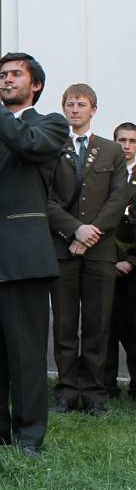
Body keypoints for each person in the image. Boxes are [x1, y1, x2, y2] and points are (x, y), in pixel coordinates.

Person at [0, 52, 67, 457]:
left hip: (22, 259)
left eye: (15, 75)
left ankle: (29, 434)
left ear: (35, 85)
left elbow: (25, 143)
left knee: (25, 354)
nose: (5, 80)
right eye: (2, 75)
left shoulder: (49, 125)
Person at [47, 85, 129, 415]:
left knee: (97, 324)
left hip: (99, 251)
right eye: (70, 104)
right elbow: (45, 199)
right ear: (64, 109)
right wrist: (74, 229)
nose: (75, 109)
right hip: (63, 248)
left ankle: (95, 392)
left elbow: (119, 196)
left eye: (82, 104)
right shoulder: (52, 149)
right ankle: (67, 390)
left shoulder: (111, 150)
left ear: (94, 109)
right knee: (65, 325)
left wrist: (90, 233)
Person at [104, 122, 136, 397]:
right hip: (106, 262)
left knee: (133, 328)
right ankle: (107, 385)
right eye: (121, 140)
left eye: (132, 141)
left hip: (133, 267)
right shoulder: (107, 173)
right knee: (105, 327)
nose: (126, 145)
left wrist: (131, 260)